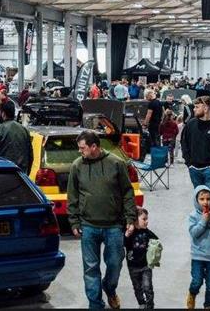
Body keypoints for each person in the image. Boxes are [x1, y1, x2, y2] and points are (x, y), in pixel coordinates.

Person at [67, 131, 137, 309]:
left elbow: (127, 192)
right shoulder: (77, 166)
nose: (80, 151)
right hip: (88, 226)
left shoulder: (116, 163)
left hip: (114, 225)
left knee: (115, 263)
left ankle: (109, 287)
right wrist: (74, 221)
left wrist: (130, 218)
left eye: (82, 148)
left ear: (94, 147)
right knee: (90, 269)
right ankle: (95, 304)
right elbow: (72, 196)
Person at [181, 96, 210, 212]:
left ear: (206, 108)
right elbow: (184, 144)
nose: (194, 109)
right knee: (200, 202)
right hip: (194, 170)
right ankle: (202, 228)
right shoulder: (191, 125)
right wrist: (189, 163)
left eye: (197, 107)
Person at [125, 208, 159, 309]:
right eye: (144, 219)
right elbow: (123, 243)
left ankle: (150, 305)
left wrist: (155, 247)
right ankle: (142, 303)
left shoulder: (147, 232)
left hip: (146, 266)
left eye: (147, 219)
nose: (147, 221)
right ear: (135, 220)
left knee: (147, 287)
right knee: (137, 288)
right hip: (133, 266)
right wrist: (126, 235)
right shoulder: (129, 233)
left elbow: (156, 239)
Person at [0, 100, 33, 173]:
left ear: (3, 114)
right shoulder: (24, 130)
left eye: (0, 112)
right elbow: (30, 155)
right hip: (21, 174)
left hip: (4, 173)